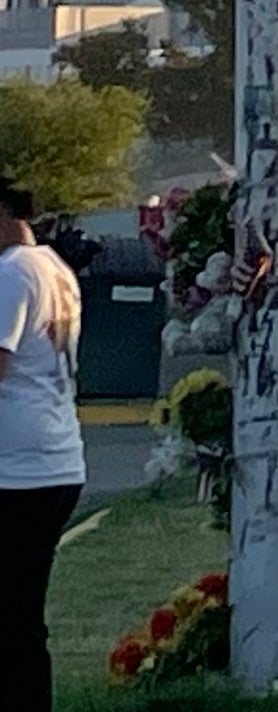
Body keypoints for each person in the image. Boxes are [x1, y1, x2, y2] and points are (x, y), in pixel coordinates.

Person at [0, 184, 82, 712]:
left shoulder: (11, 272)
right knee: (19, 610)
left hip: (19, 471)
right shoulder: (54, 267)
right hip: (54, 457)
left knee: (13, 617)